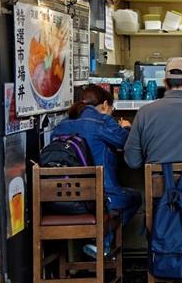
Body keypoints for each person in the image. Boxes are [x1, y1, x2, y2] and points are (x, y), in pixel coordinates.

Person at [51, 85, 139, 259]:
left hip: (61, 201)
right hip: (100, 199)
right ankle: (103, 242)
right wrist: (127, 127)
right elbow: (127, 143)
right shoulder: (102, 122)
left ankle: (95, 244)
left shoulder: (60, 126)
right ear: (105, 105)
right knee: (135, 197)